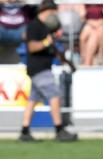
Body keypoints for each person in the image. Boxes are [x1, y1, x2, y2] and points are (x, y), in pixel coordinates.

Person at [20, 0, 77, 142]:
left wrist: (67, 61)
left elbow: (52, 47)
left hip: (41, 68)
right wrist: (47, 41)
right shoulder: (34, 26)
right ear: (47, 11)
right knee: (55, 96)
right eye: (54, 12)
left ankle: (24, 131)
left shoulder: (46, 27)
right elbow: (32, 47)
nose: (55, 16)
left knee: (32, 100)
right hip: (39, 69)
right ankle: (59, 130)